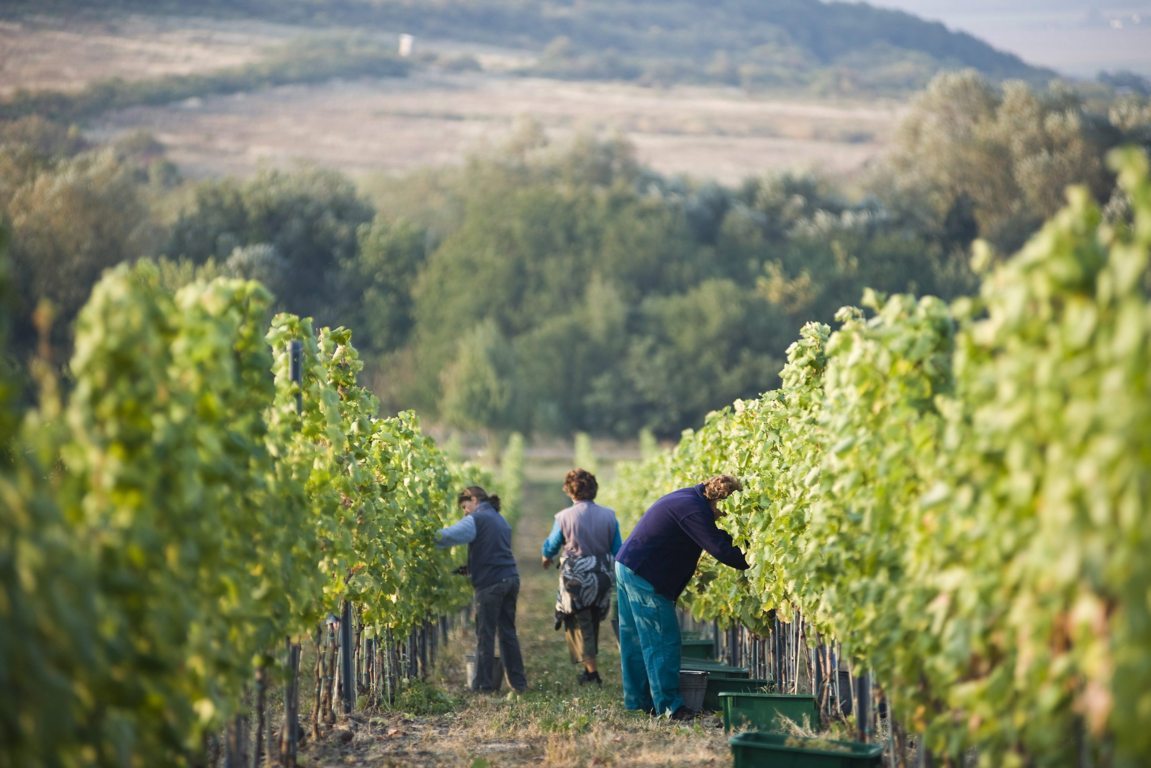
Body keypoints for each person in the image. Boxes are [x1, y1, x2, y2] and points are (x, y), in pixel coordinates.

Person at [615, 475, 749, 720]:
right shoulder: (694, 510)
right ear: (720, 501)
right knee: (663, 641)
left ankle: (639, 701)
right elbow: (720, 549)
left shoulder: (689, 498)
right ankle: (671, 707)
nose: (724, 517)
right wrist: (754, 558)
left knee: (635, 639)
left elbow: (716, 538)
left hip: (629, 565)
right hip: (646, 574)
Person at [436, 485, 528, 695]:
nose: (465, 512)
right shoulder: (498, 518)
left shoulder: (477, 519)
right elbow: (493, 550)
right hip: (510, 578)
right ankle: (519, 684)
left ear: (474, 499)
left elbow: (447, 537)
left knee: (485, 633)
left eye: (464, 506)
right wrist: (471, 567)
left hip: (492, 584)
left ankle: (483, 686)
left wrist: (423, 536)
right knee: (507, 632)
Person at [540, 468, 622, 686]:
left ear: (570, 491)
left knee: (582, 621)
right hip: (603, 575)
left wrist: (546, 557)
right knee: (592, 619)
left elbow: (552, 544)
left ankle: (593, 674)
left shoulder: (564, 517)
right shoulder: (609, 515)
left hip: (577, 578)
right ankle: (589, 669)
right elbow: (618, 548)